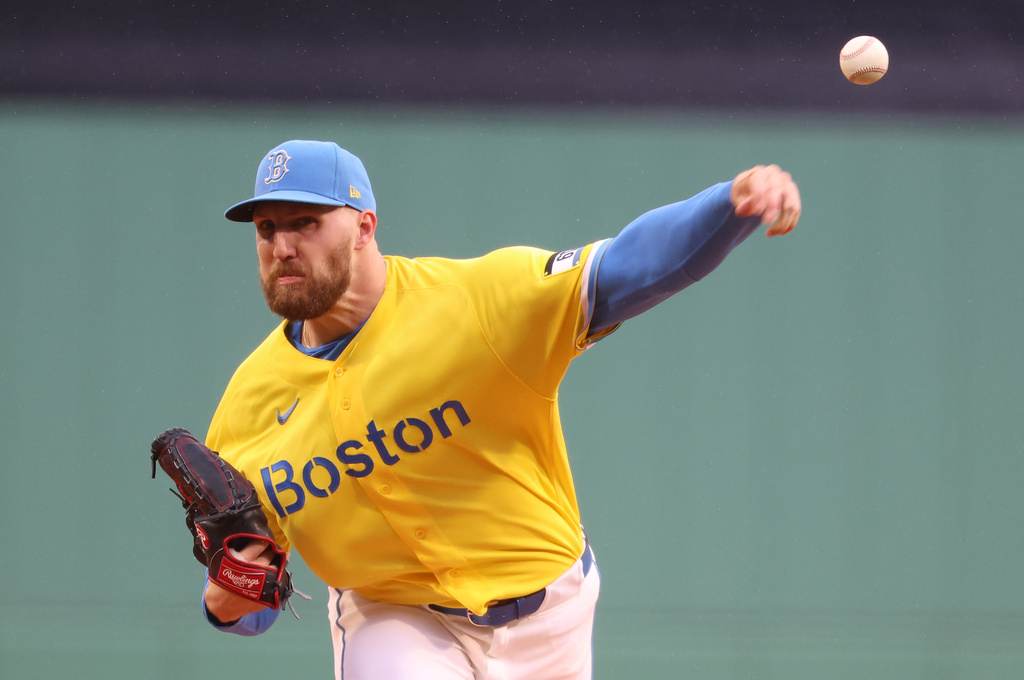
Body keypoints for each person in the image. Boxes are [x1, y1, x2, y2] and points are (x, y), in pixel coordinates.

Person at [199, 139, 801, 679]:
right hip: (395, 619)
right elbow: (251, 607)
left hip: (551, 610)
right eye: (266, 227)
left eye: (305, 222)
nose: (281, 246)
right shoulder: (245, 411)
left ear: (363, 226)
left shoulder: (476, 303)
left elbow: (624, 267)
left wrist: (728, 205)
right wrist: (226, 598)